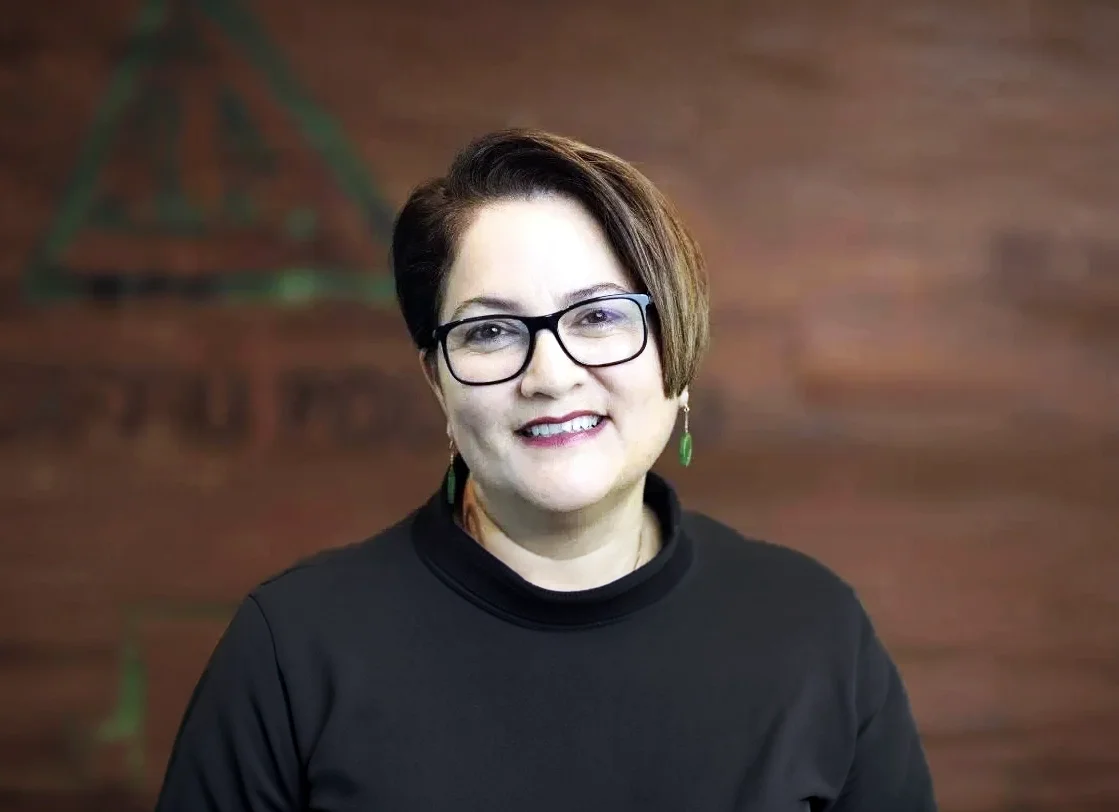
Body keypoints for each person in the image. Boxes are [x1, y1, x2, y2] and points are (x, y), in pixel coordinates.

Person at [154, 128, 937, 811]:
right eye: (492, 331)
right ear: (437, 381)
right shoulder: (292, 648)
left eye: (598, 317)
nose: (550, 375)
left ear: (679, 348)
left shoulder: (811, 630)